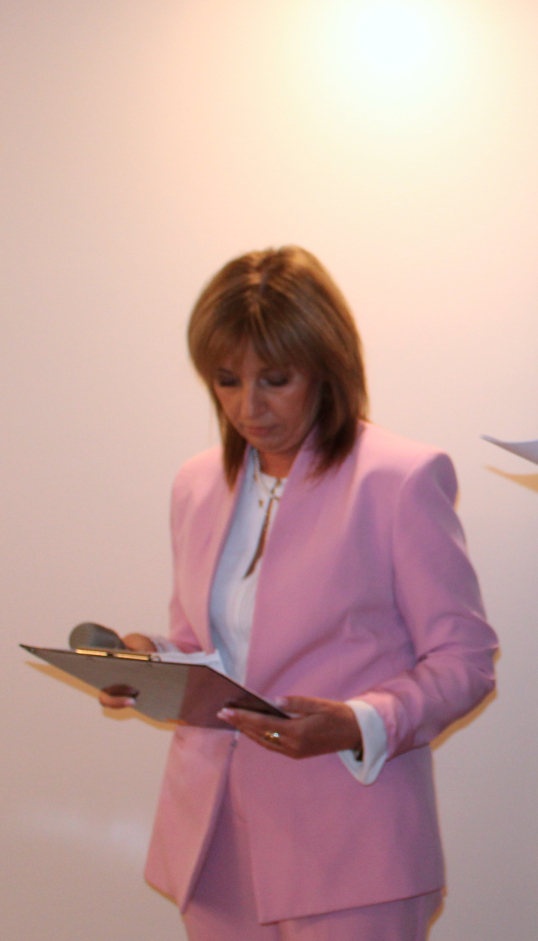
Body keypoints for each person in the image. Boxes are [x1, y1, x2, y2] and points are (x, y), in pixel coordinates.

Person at [99, 246, 498, 940]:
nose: (247, 406)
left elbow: (465, 662)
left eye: (275, 380)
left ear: (326, 367)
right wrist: (148, 661)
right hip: (213, 837)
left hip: (351, 845)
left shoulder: (399, 479)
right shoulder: (197, 482)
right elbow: (207, 647)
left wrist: (361, 722)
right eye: (226, 381)